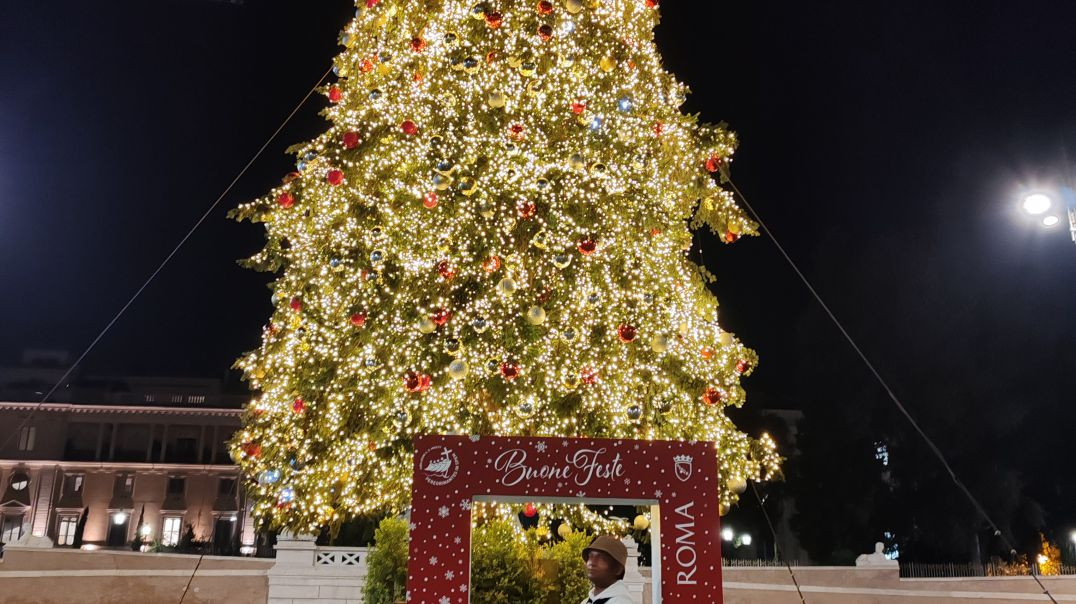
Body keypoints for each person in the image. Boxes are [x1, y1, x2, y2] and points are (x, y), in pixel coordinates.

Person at [579, 535, 634, 604]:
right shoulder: (586, 602)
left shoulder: (622, 601)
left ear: (618, 569)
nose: (591, 563)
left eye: (601, 558)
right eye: (590, 556)